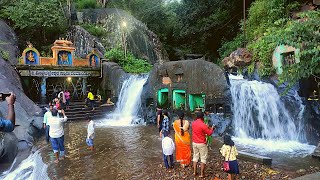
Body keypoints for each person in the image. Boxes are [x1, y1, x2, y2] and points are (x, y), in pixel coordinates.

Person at [192, 111, 214, 178]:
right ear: (202, 117)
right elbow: (209, 133)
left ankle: (194, 172)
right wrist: (212, 128)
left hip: (194, 143)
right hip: (201, 143)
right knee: (203, 158)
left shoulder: (193, 123)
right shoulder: (203, 125)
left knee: (195, 157)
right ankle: (202, 174)